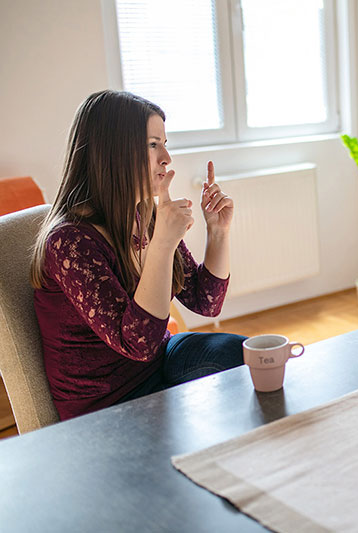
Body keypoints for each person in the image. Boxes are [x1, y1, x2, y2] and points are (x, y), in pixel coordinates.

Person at [31, 90, 245, 421]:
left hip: (158, 365)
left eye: (164, 143)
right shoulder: (69, 243)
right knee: (222, 408)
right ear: (113, 153)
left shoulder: (142, 215)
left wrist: (219, 232)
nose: (166, 158)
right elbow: (139, 344)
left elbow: (205, 301)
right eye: (152, 144)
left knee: (250, 356)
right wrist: (162, 242)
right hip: (106, 407)